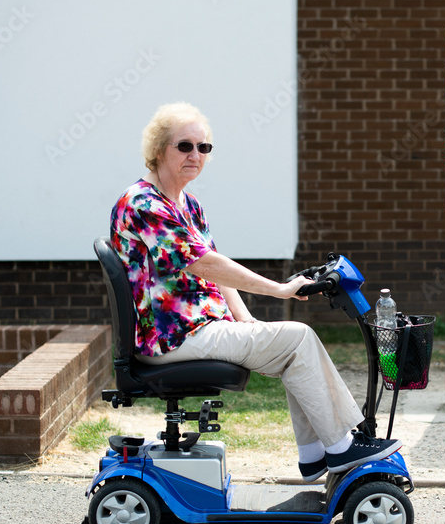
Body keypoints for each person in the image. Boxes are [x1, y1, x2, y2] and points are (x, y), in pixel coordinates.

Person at [110, 102, 400, 480]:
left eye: (204, 147)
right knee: (298, 338)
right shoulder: (144, 203)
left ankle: (315, 454)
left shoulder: (187, 203)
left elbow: (215, 264)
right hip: (171, 337)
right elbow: (204, 264)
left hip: (198, 328)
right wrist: (280, 291)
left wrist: (245, 319)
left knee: (291, 349)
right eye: (185, 146)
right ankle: (341, 448)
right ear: (159, 149)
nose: (195, 155)